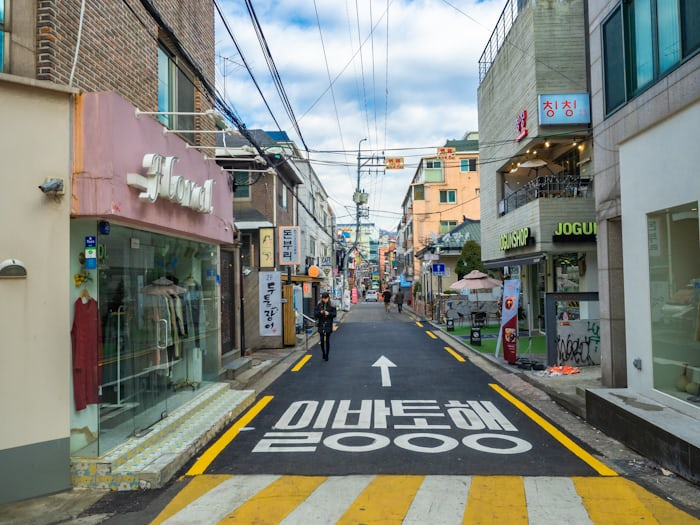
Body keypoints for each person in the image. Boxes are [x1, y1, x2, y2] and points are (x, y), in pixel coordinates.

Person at [314, 292, 336, 361]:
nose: (325, 300)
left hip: (328, 324)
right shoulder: (319, 304)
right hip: (321, 324)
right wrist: (320, 312)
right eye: (323, 298)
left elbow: (334, 314)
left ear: (328, 298)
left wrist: (328, 313)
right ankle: (323, 353)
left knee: (327, 340)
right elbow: (315, 314)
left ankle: (327, 355)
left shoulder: (332, 304)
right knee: (322, 340)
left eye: (326, 298)